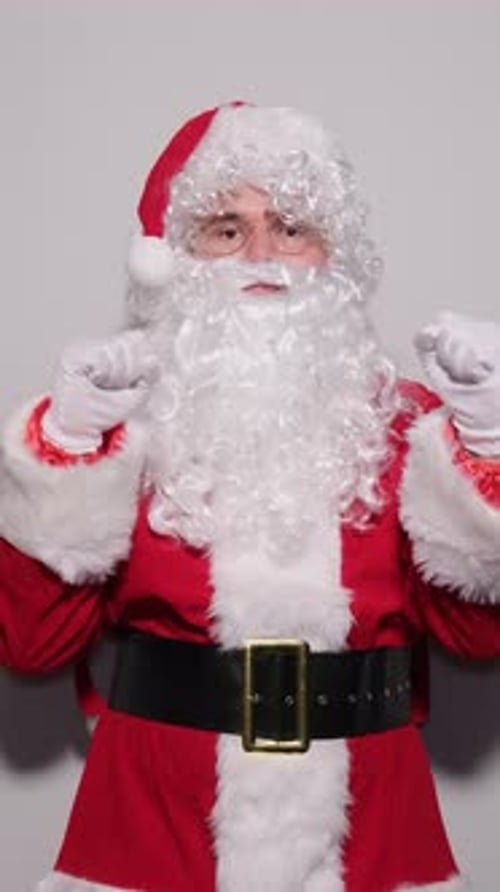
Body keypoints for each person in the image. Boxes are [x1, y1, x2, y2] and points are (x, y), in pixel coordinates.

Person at [0, 102, 499, 892]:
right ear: (178, 258)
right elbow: (32, 648)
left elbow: (478, 640)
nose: (262, 256)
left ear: (332, 253)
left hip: (370, 830)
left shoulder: (404, 428)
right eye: (226, 230)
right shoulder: (117, 421)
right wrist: (66, 444)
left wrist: (486, 446)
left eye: (292, 226)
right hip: (156, 826)